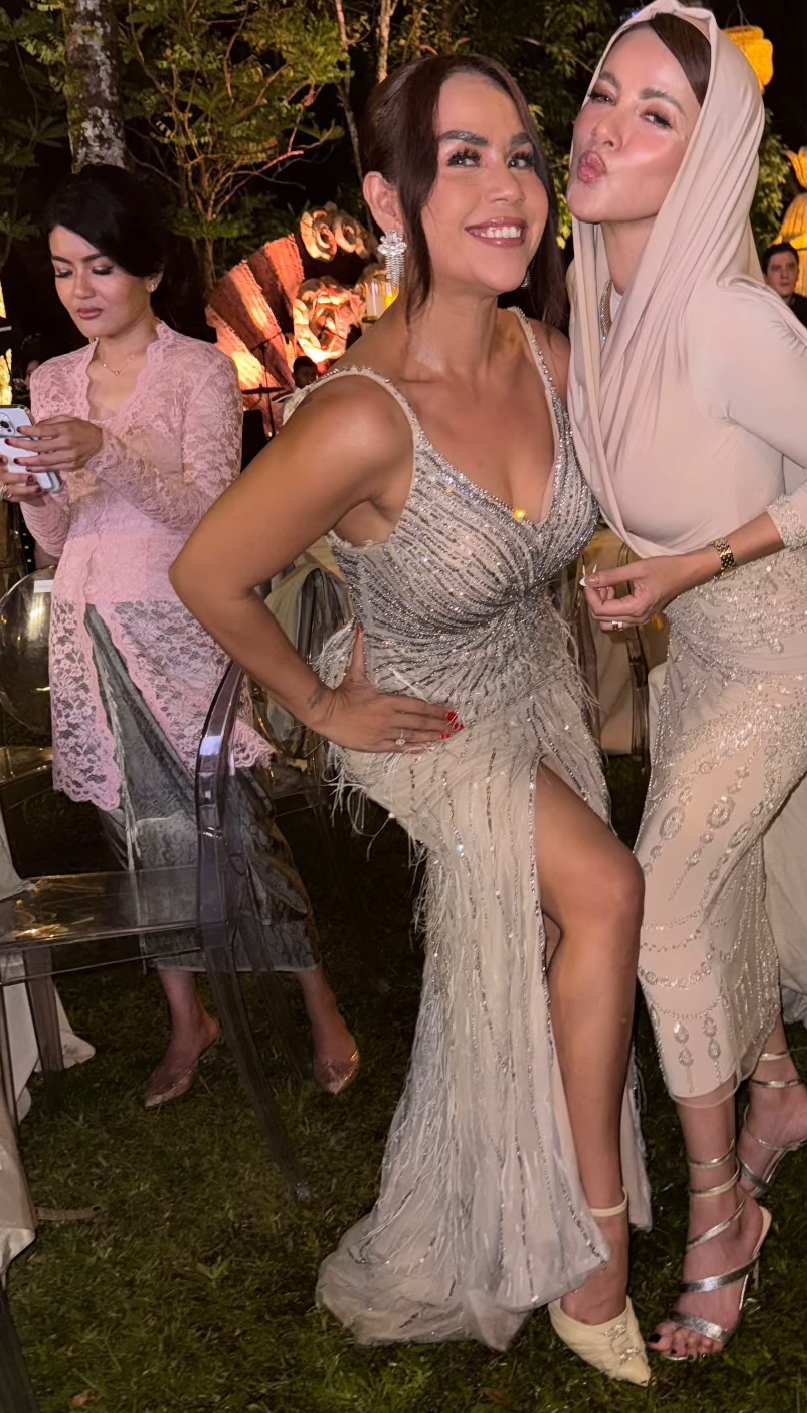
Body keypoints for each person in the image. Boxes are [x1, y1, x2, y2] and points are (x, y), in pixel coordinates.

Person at [170, 55, 652, 1384]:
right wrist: (322, 703)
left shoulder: (549, 357)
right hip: (421, 711)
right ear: (391, 200)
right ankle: (597, 1251)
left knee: (554, 937)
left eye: (522, 155)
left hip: (530, 683)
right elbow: (207, 573)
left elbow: (640, 486)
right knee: (606, 892)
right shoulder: (359, 420)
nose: (508, 187)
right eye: (464, 158)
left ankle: (518, 1191)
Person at [566, 1, 807, 1364]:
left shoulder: (720, 314)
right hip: (701, 643)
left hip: (797, 639)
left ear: (703, 161)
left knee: (663, 903)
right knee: (720, 874)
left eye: (657, 115)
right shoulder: (606, 306)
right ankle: (775, 1092)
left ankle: (723, 1214)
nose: (605, 129)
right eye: (605, 92)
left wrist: (690, 562)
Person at [0, 165, 357, 1108]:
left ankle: (319, 1002)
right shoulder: (51, 379)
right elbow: (64, 538)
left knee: (231, 817)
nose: (79, 289)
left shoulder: (200, 370)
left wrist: (109, 451)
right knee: (136, 829)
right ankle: (184, 1017)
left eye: (101, 267)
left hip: (182, 624)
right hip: (87, 627)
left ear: (151, 270)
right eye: (63, 269)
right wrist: (30, 494)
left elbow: (210, 514)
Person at [762, 242, 807, 344]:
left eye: (790, 268)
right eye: (776, 269)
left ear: (798, 273)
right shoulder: (755, 311)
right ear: (765, 277)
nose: (784, 275)